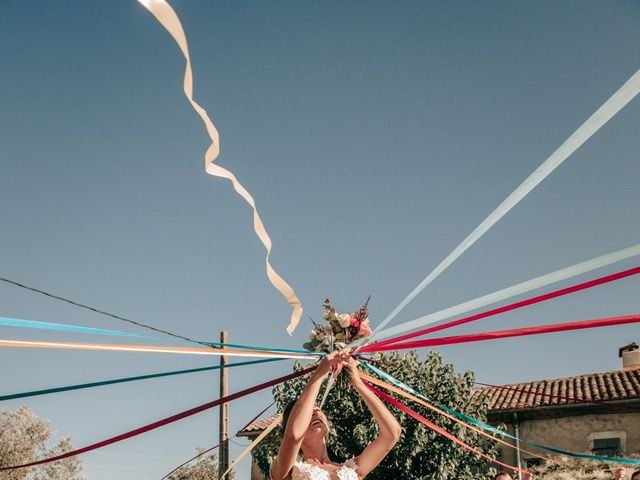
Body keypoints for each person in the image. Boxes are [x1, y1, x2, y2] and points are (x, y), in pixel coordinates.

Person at [270, 350, 402, 480]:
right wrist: (319, 375)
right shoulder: (286, 470)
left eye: (318, 409)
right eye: (309, 412)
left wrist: (357, 382)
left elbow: (392, 433)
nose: (315, 412)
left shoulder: (351, 470)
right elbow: (294, 435)